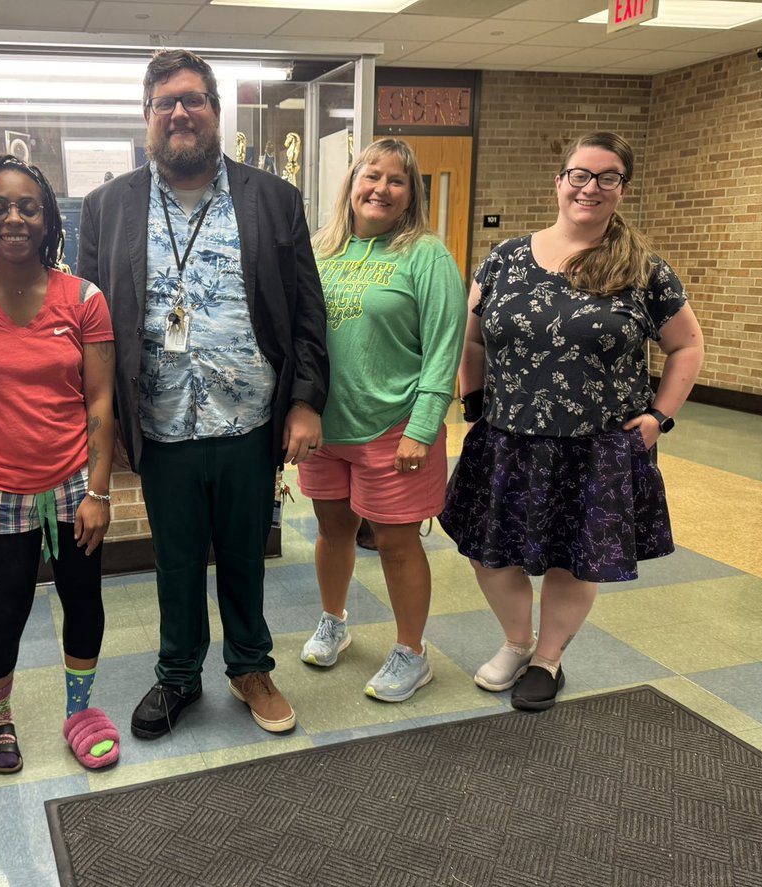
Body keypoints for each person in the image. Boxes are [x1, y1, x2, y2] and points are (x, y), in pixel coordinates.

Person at [77, 49, 328, 739]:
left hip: (251, 419)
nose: (180, 113)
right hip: (160, 421)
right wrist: (103, 422)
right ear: (148, 118)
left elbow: (307, 310)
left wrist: (305, 401)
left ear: (216, 112)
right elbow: (89, 327)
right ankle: (178, 674)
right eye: (166, 103)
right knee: (178, 558)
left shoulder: (272, 198)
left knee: (246, 552)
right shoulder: (106, 208)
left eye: (194, 100)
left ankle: (250, 667)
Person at [439, 131, 704, 712]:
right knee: (490, 552)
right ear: (559, 181)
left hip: (597, 445)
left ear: (622, 189)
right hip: (508, 436)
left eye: (607, 177)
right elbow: (473, 338)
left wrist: (660, 415)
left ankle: (548, 659)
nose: (591, 187)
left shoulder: (643, 269)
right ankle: (516, 641)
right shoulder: (505, 257)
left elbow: (687, 346)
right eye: (580, 174)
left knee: (573, 556)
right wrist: (474, 402)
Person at [0, 155, 119, 774]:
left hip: (73, 485)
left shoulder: (84, 299)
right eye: (0, 206)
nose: (14, 217)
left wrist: (99, 491)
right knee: (4, 610)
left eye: (28, 206)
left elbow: (100, 399)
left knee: (82, 601)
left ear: (48, 218)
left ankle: (80, 711)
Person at [295, 139, 466, 702]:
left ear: (410, 193)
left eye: (397, 180)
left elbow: (445, 345)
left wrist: (424, 426)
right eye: (372, 176)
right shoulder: (322, 250)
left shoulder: (426, 254)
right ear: (352, 182)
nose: (381, 189)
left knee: (396, 544)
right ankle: (334, 620)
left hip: (394, 425)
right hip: (327, 428)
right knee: (332, 531)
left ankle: (412, 653)